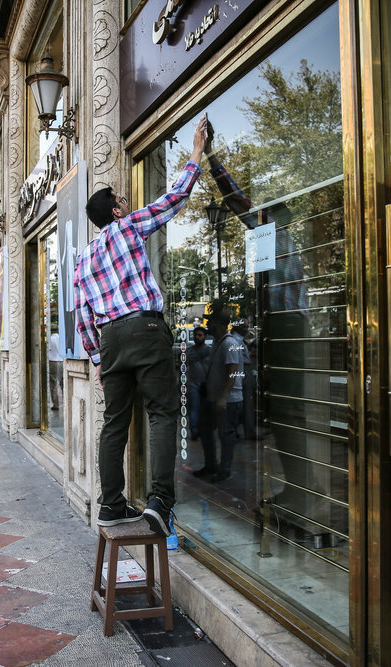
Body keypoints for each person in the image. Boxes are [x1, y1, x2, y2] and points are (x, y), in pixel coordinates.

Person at [74, 114, 209, 536]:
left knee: (114, 422)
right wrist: (196, 152)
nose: (127, 205)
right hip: (146, 330)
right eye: (122, 201)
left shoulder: (82, 259)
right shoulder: (127, 228)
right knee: (162, 413)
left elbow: (82, 315)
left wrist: (98, 358)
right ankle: (158, 504)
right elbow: (174, 198)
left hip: (110, 339)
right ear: (115, 210)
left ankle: (111, 506)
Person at [195, 309, 243, 482]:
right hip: (213, 398)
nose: (207, 324)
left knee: (225, 435)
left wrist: (224, 397)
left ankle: (225, 470)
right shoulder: (218, 342)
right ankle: (211, 465)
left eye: (211, 321)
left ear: (220, 324)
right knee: (206, 430)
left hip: (227, 400)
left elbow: (233, 371)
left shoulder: (229, 343)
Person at [184, 326, 211, 440]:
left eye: (200, 335)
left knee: (205, 409)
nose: (197, 337)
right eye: (195, 335)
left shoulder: (210, 350)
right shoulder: (189, 351)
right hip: (193, 384)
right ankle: (194, 430)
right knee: (194, 408)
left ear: (205, 337)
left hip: (207, 384)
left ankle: (205, 429)